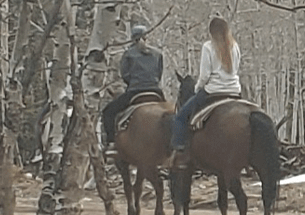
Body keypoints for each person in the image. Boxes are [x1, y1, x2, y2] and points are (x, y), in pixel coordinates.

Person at [170, 16, 243, 164]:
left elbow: (204, 76)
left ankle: (180, 151)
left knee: (181, 117)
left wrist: (197, 89)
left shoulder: (208, 47)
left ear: (211, 32)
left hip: (213, 91)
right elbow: (235, 69)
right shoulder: (235, 46)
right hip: (235, 91)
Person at [101, 22, 164, 159]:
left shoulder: (128, 54)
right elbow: (159, 73)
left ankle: (111, 143)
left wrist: (133, 83)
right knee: (174, 115)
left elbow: (125, 75)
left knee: (108, 112)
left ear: (132, 38)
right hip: (156, 91)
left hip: (135, 91)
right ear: (146, 37)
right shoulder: (158, 53)